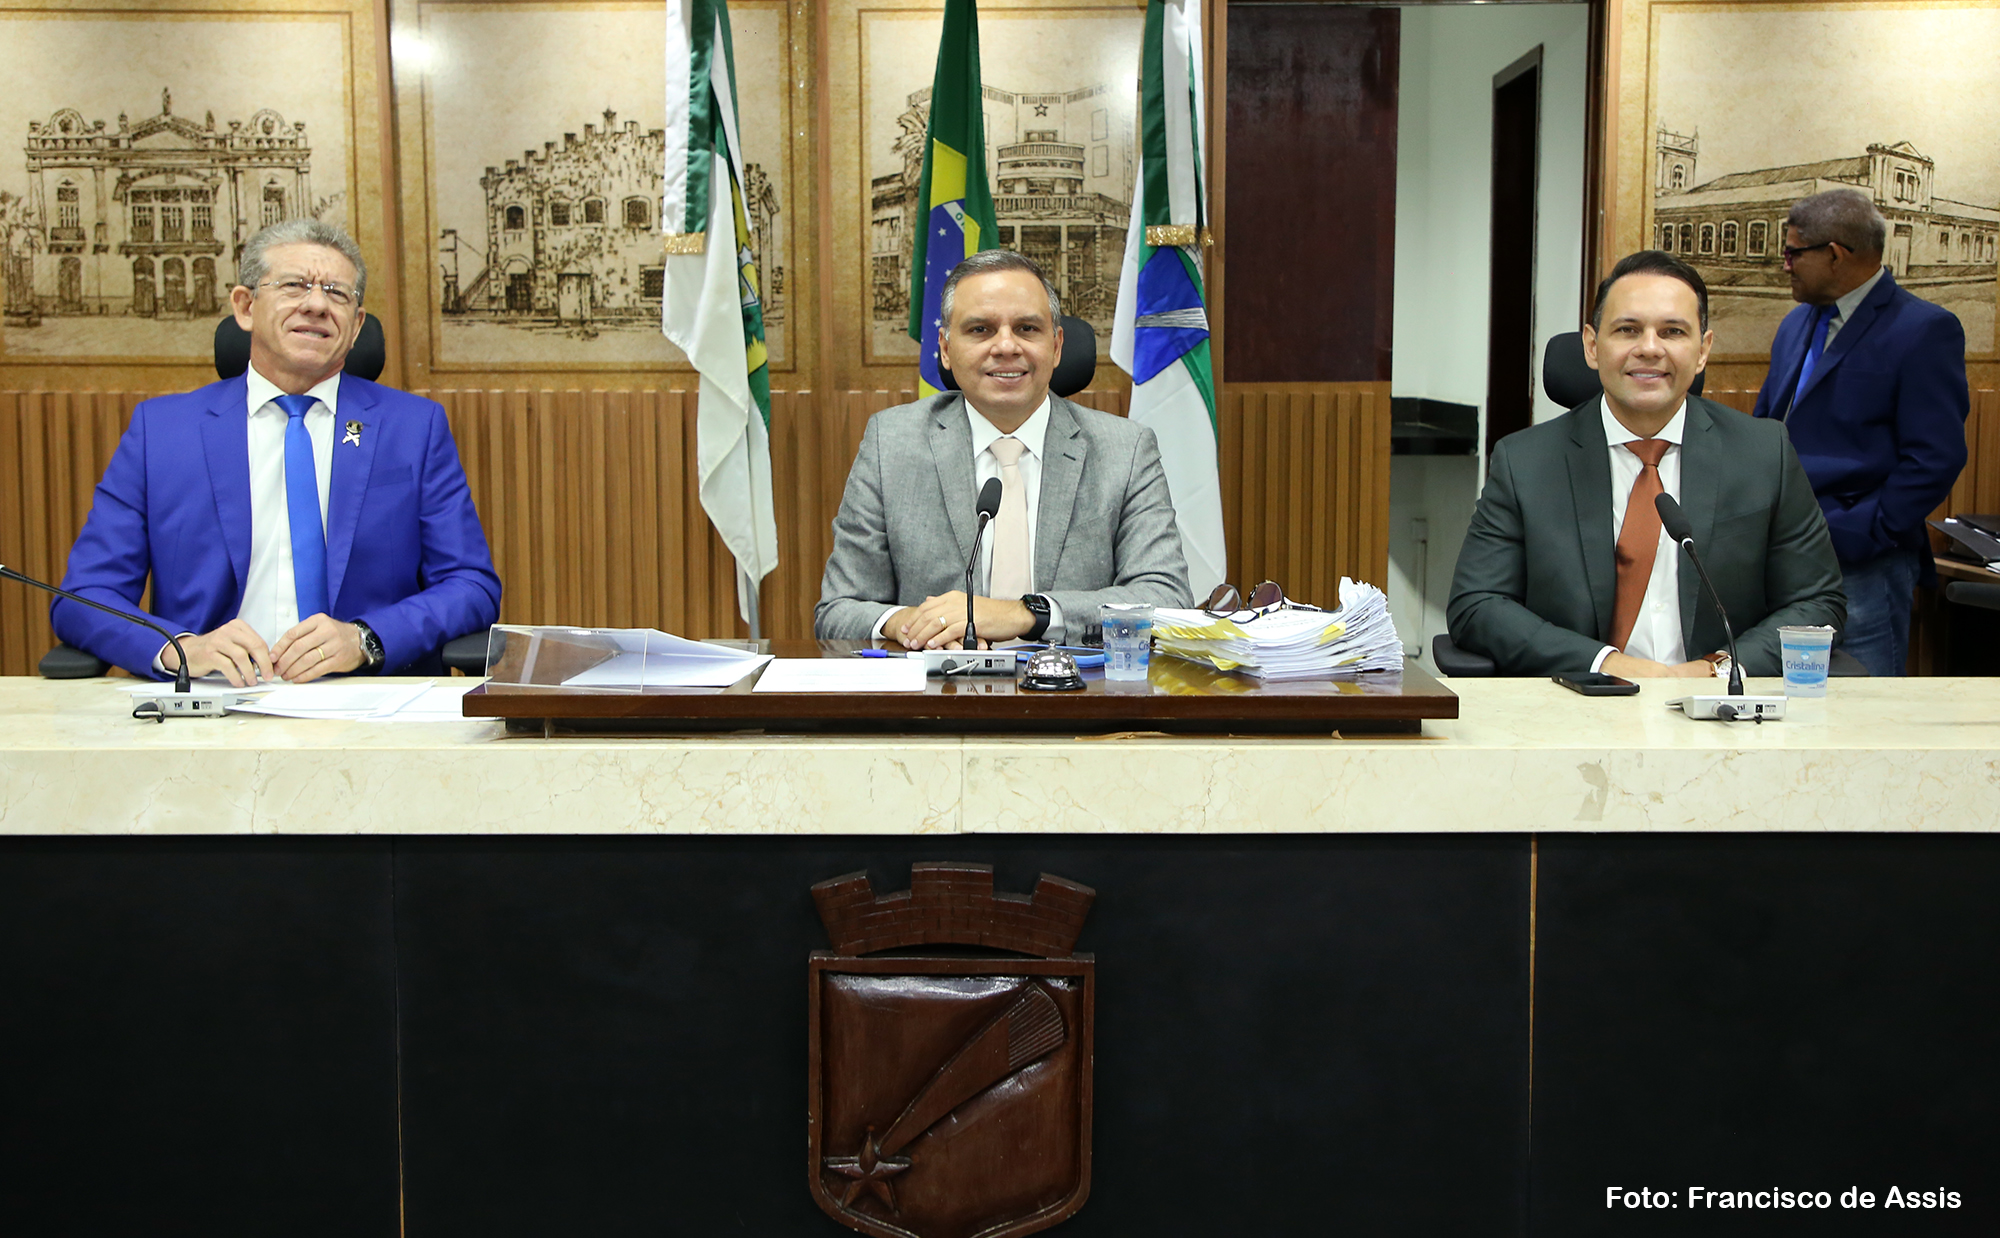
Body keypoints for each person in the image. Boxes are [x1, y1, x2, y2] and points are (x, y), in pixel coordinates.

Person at [53, 218, 500, 684]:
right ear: (245, 307)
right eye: (294, 285)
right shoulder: (162, 432)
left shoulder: (414, 428)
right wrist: (180, 649)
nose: (316, 304)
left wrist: (365, 639)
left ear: (356, 326)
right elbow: (85, 596)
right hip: (213, 698)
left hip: (367, 697)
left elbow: (471, 585)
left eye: (337, 293)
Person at [1448, 250, 1845, 678]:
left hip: (1719, 701)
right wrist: (1606, 664)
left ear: (1703, 351)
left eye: (1673, 331)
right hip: (1581, 700)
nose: (1650, 349)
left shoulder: (1764, 453)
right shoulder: (1525, 462)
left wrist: (1719, 669)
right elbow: (1477, 604)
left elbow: (1817, 601)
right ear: (1592, 346)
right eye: (1628, 330)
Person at [816, 251, 1192, 647]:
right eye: (980, 329)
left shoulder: (1125, 450)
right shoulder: (891, 443)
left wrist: (1025, 614)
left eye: (1027, 328)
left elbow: (1167, 598)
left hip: (1077, 683)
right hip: (940, 683)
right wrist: (911, 623)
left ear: (1056, 346)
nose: (1006, 346)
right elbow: (838, 610)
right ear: (946, 348)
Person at [1751, 187, 1969, 676]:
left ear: (1835, 255)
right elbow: (1767, 429)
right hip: (1779, 555)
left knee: (1864, 704)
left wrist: (1867, 531)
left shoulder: (1923, 329)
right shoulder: (1794, 325)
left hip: (1863, 560)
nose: (1784, 265)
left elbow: (1936, 456)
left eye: (1793, 253)